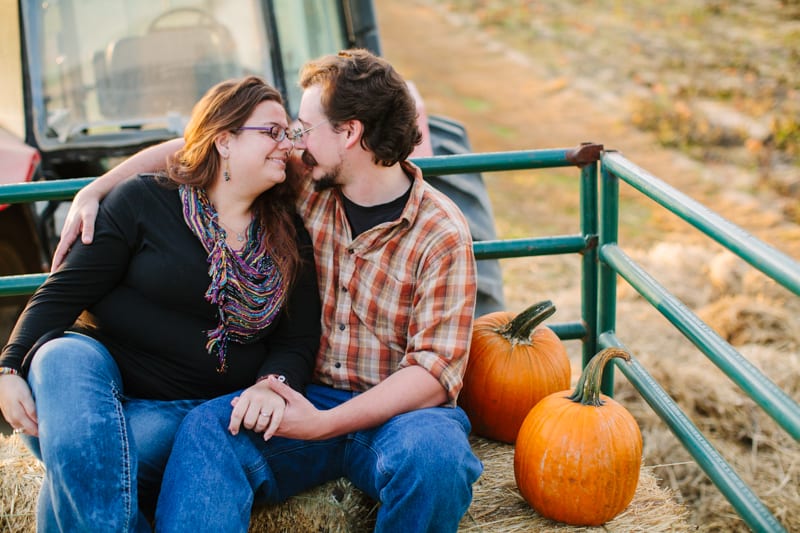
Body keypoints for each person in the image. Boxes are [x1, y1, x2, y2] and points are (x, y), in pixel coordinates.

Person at [54, 49, 482, 532]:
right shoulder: (307, 178)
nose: (293, 140)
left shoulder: (441, 231)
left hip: (399, 417)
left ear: (349, 133)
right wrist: (94, 189)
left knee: (437, 459)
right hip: (301, 394)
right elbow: (204, 146)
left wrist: (323, 424)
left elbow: (431, 373)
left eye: (303, 126)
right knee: (209, 431)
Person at [0, 76, 321, 531]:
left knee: (89, 451)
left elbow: (300, 338)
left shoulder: (289, 235)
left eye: (288, 133)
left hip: (185, 407)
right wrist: (9, 367)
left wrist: (272, 384)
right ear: (224, 141)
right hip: (95, 369)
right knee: (57, 359)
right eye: (272, 131)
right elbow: (62, 290)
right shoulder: (145, 200)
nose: (285, 144)